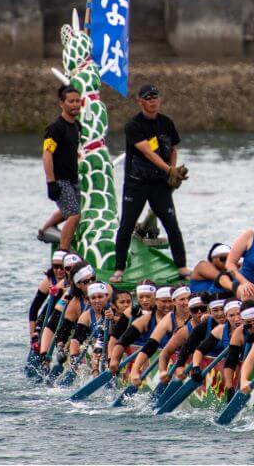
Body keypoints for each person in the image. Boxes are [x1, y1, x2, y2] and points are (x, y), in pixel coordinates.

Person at [112, 84, 189, 283]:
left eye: (155, 97)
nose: (153, 101)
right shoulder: (133, 126)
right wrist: (169, 170)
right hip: (136, 184)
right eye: (148, 98)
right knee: (126, 226)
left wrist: (173, 173)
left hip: (159, 185)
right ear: (140, 102)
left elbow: (173, 149)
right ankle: (119, 269)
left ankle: (182, 266)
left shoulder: (167, 123)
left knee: (172, 225)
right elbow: (148, 152)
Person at [38, 85, 82, 251]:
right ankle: (63, 252)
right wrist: (51, 182)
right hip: (60, 180)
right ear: (62, 104)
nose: (75, 104)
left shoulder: (77, 126)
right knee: (74, 215)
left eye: (77, 101)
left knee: (70, 210)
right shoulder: (55, 128)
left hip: (73, 178)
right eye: (71, 101)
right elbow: (47, 154)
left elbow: (70, 148)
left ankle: (44, 230)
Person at [108, 281, 174, 374]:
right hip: (137, 357)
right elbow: (116, 337)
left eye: (148, 296)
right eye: (141, 297)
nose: (144, 300)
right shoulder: (131, 312)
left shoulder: (174, 315)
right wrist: (111, 358)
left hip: (162, 359)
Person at [187, 299, 243, 385]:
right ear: (226, 316)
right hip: (231, 375)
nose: (236, 319)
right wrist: (196, 367)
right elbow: (200, 350)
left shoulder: (253, 328)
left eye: (239, 314)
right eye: (231, 315)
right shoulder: (220, 330)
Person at [28, 250, 68, 354]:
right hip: (54, 314)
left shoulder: (72, 280)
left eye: (62, 267)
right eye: (55, 267)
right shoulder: (49, 280)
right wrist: (33, 334)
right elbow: (34, 308)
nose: (59, 270)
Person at [66, 282, 110, 377]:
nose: (97, 300)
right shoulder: (86, 316)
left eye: (100, 297)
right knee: (84, 348)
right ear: (89, 300)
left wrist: (95, 369)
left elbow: (103, 339)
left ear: (106, 297)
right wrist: (74, 358)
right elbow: (75, 340)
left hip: (111, 348)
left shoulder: (112, 311)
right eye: (93, 298)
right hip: (97, 350)